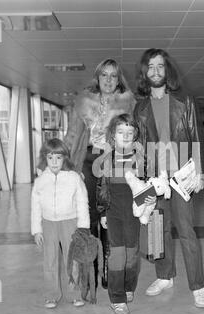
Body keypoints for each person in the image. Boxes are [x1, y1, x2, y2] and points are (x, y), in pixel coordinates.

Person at [133, 48, 204, 308]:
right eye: (150, 67)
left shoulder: (183, 101)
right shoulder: (140, 107)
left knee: (186, 231)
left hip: (181, 175)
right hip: (155, 177)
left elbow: (196, 136)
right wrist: (142, 180)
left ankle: (198, 285)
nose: (155, 71)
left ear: (167, 70)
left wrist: (199, 171)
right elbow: (139, 147)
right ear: (145, 72)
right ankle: (164, 276)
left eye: (160, 66)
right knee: (157, 229)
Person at [64, 59, 136, 291]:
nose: (108, 80)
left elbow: (136, 136)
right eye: (104, 75)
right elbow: (72, 135)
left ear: (119, 79)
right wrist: (58, 164)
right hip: (86, 161)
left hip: (114, 164)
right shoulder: (84, 102)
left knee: (111, 218)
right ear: (97, 77)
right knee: (89, 218)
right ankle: (88, 274)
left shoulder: (128, 103)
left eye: (113, 75)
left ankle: (109, 269)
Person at [93, 113, 156, 314]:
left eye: (130, 132)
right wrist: (102, 212)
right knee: (117, 255)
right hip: (113, 211)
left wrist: (149, 200)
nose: (126, 136)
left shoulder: (141, 159)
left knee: (132, 254)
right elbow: (101, 186)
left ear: (135, 136)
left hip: (133, 213)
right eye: (121, 132)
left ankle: (128, 286)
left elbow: (149, 185)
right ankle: (116, 297)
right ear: (113, 135)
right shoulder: (106, 159)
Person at [31, 138, 90, 309]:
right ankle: (51, 295)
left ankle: (75, 294)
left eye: (58, 157)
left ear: (65, 158)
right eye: (50, 158)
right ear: (45, 158)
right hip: (48, 223)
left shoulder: (73, 178)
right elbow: (35, 206)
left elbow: (82, 202)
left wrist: (83, 227)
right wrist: (37, 230)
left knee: (72, 260)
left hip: (69, 222)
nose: (54, 162)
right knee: (49, 260)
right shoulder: (41, 181)